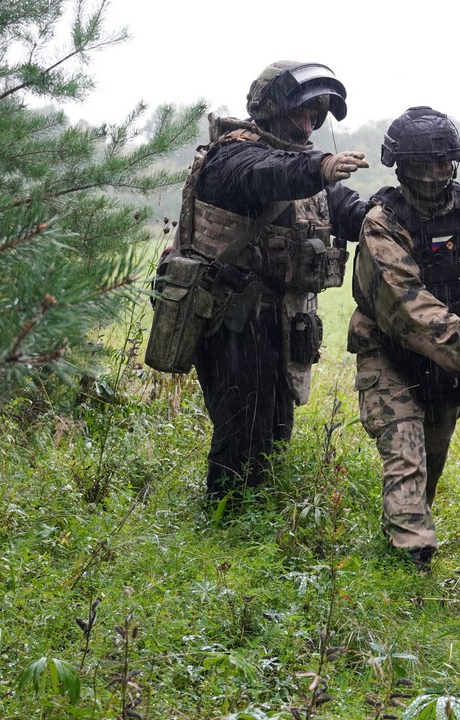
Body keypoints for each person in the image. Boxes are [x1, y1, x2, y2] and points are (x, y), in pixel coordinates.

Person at [176, 60, 371, 503]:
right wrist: (322, 165)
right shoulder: (233, 156)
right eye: (299, 115)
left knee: (278, 424)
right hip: (231, 317)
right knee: (243, 423)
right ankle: (226, 519)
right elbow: (266, 174)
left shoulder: (305, 167)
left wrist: (387, 216)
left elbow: (347, 211)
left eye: (315, 117)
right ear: (269, 111)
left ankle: (261, 516)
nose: (307, 127)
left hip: (282, 319)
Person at [348, 106, 460, 570]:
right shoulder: (382, 223)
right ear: (402, 166)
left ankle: (406, 528)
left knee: (429, 465)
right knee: (406, 455)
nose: (436, 173)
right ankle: (412, 563)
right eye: (425, 164)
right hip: (388, 355)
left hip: (448, 365)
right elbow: (411, 310)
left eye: (444, 162)